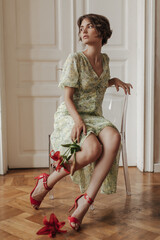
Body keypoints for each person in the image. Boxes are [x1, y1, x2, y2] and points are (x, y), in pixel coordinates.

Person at [30, 13, 133, 231]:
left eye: (89, 27)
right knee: (93, 149)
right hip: (71, 115)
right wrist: (77, 121)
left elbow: (95, 84)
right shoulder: (75, 59)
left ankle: (85, 201)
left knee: (114, 137)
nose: (83, 31)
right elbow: (67, 97)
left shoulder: (104, 60)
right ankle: (46, 182)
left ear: (102, 33)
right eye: (81, 28)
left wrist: (112, 80)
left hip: (94, 116)